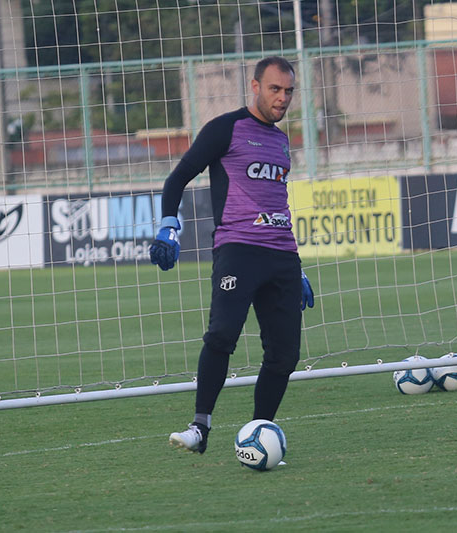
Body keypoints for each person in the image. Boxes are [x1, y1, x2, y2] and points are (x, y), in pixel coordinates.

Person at [149, 56, 314, 454]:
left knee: (285, 355)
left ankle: (259, 433)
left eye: (289, 91)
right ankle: (199, 428)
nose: (283, 98)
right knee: (222, 336)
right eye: (275, 89)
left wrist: (299, 270)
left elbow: (279, 202)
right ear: (255, 86)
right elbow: (178, 179)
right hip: (238, 250)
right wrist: (169, 223)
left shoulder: (280, 139)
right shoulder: (226, 129)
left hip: (282, 257)